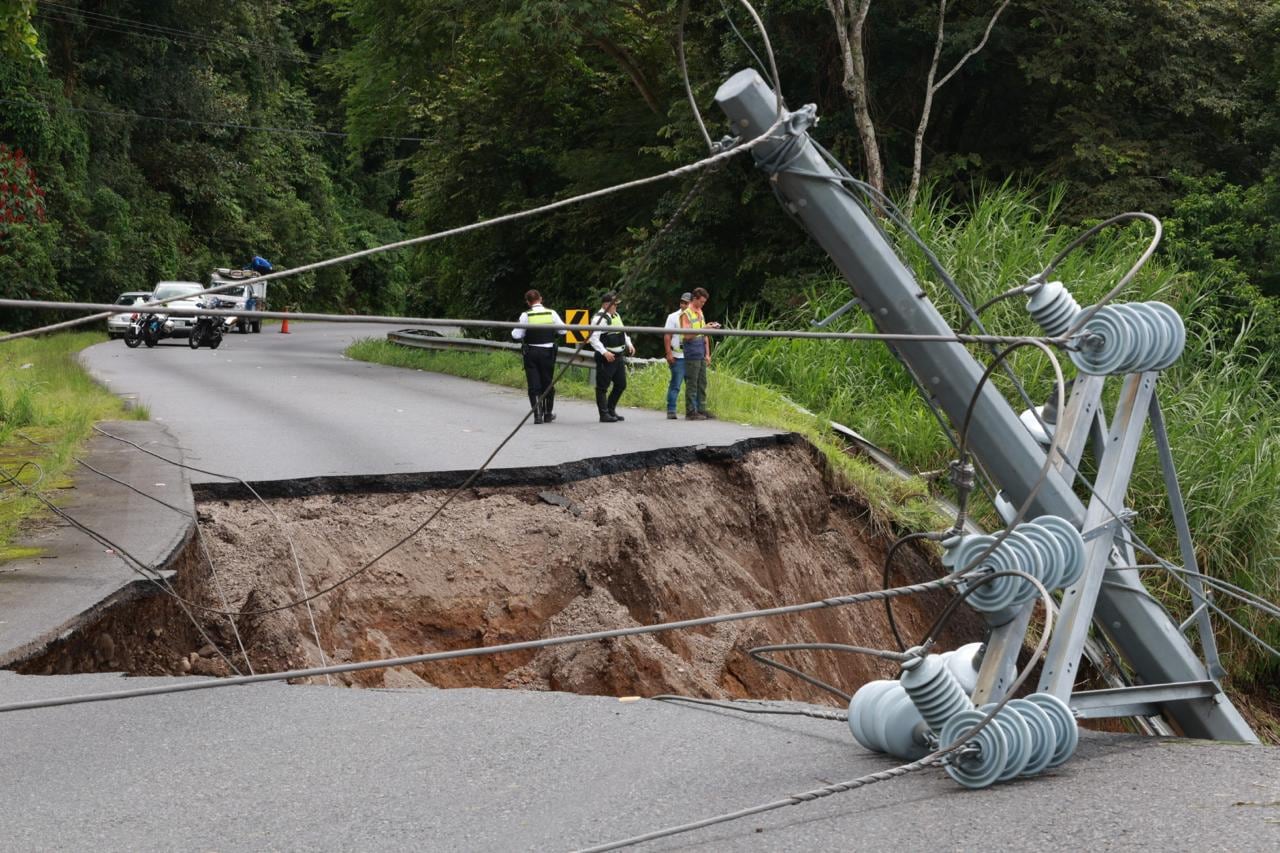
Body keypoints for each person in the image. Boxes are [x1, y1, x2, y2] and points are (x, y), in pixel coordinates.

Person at [511, 289, 564, 424]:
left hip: (532, 353)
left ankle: (537, 415)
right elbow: (563, 330)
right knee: (548, 383)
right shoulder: (551, 313)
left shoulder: (526, 315)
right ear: (541, 298)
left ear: (528, 302)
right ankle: (548, 413)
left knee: (534, 385)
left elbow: (516, 335)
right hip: (548, 353)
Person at [588, 291, 634, 423]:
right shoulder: (599, 319)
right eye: (614, 304)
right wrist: (604, 352)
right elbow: (593, 339)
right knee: (602, 387)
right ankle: (604, 414)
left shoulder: (616, 315)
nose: (616, 307)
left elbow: (623, 332)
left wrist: (629, 344)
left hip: (618, 356)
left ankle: (610, 409)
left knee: (621, 384)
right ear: (606, 304)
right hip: (606, 357)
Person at [679, 287, 720, 420]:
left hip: (701, 351)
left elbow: (704, 334)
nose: (703, 304)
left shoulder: (700, 311)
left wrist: (707, 354)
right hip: (691, 351)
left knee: (702, 382)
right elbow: (686, 335)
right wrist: (704, 328)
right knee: (692, 382)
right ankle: (690, 411)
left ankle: (701, 409)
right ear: (695, 299)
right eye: (701, 302)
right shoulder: (686, 314)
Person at [663, 292, 691, 419]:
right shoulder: (673, 317)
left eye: (686, 302)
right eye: (682, 302)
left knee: (692, 386)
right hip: (677, 355)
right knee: (675, 384)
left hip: (691, 356)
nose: (683, 305)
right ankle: (671, 410)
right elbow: (667, 336)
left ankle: (692, 411)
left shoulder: (695, 316)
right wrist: (669, 353)